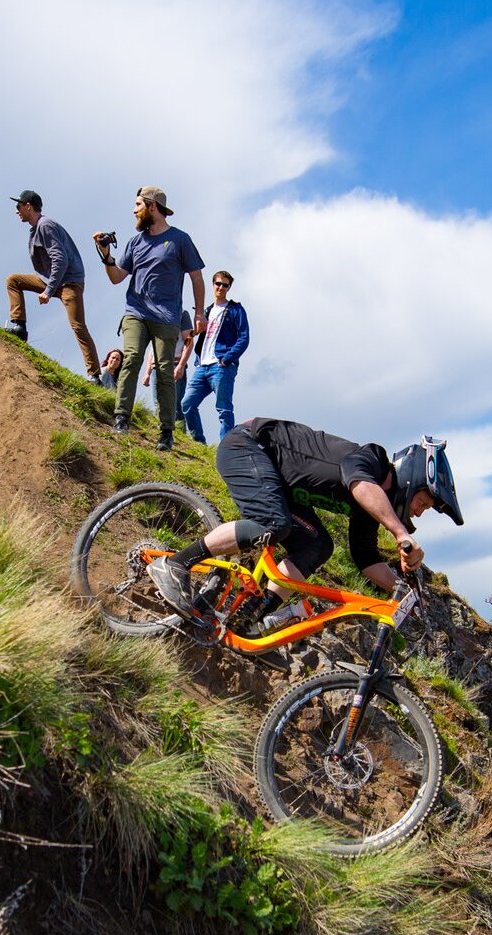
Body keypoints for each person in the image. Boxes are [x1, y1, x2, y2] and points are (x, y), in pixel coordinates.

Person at [148, 421, 463, 629]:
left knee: (318, 545)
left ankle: (250, 618)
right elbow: (359, 483)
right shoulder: (368, 460)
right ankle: (175, 565)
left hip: (277, 483)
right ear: (412, 479)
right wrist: (400, 533)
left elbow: (366, 560)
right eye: (423, 503)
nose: (419, 513)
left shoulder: (369, 505)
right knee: (273, 523)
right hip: (248, 447)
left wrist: (402, 590)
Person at [94, 186, 203, 451]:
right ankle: (121, 418)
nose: (134, 211)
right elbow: (117, 277)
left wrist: (199, 312)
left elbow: (196, 276)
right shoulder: (135, 242)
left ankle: (166, 432)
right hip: (136, 313)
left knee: (164, 371)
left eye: (138, 205)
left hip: (167, 317)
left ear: (152, 206)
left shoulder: (180, 239)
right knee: (131, 358)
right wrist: (106, 255)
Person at [3, 190, 99, 380]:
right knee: (13, 280)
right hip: (51, 280)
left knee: (78, 327)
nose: (17, 211)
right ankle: (19, 328)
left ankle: (95, 376)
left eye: (18, 206)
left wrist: (48, 291)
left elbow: (60, 259)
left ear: (28, 206)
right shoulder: (36, 228)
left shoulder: (45, 225)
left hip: (69, 282)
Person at [176, 270, 249, 445]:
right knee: (187, 404)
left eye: (225, 285)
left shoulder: (235, 309)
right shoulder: (207, 310)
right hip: (202, 366)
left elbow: (244, 337)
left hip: (221, 366)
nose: (221, 288)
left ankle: (226, 448)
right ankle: (199, 443)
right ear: (213, 285)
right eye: (218, 284)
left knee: (224, 409)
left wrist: (227, 358)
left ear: (229, 288)